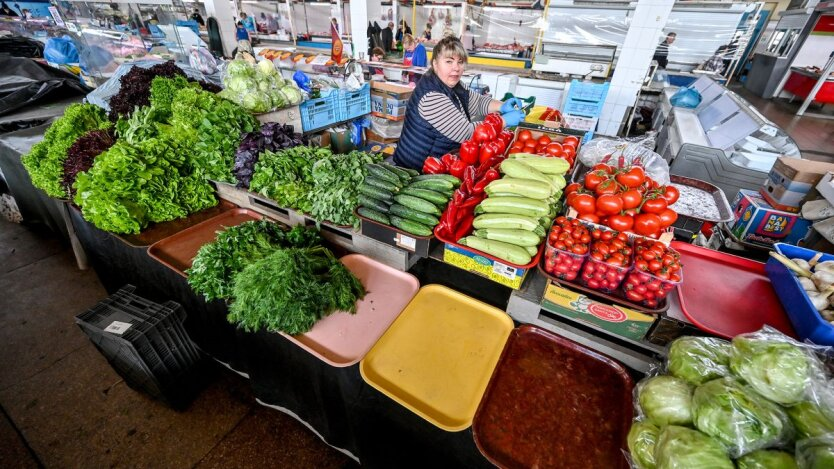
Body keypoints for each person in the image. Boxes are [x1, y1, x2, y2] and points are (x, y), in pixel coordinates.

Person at [393, 36, 526, 170]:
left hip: (438, 162)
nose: (456, 68)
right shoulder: (431, 96)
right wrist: (503, 121)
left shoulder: (451, 83)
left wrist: (501, 105)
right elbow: (466, 133)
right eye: (449, 61)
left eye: (460, 62)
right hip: (415, 170)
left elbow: (477, 102)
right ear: (435, 63)